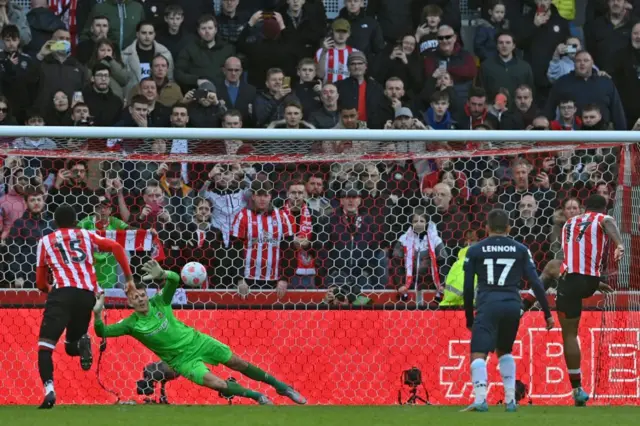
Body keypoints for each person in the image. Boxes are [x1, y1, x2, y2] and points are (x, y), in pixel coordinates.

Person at [92, 259, 307, 406]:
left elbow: (175, 280)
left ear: (146, 295)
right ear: (129, 303)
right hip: (182, 361)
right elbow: (102, 331)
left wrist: (163, 274)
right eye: (133, 298)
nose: (138, 299)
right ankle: (257, 396)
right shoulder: (130, 324)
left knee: (238, 363)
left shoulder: (160, 301)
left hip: (199, 342)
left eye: (141, 295)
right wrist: (98, 314)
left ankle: (281, 387)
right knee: (218, 384)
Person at [35, 204, 134, 409]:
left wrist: (48, 287)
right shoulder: (87, 235)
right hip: (87, 295)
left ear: (55, 223)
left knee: (45, 348)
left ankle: (49, 391)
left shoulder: (45, 241)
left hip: (61, 295)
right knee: (71, 346)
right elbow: (116, 247)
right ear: (75, 221)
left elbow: (40, 283)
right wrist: (129, 278)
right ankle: (82, 345)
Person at [462, 208, 554, 412]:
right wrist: (547, 313)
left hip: (488, 305)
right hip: (513, 305)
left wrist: (469, 316)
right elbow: (537, 283)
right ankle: (511, 400)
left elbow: (468, 288)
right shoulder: (521, 249)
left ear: (486, 228)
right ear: (509, 228)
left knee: (478, 353)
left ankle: (479, 400)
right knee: (504, 350)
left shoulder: (475, 250)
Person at [556, 194, 625, 406]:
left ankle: (577, 389)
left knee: (569, 335)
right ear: (604, 208)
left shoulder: (568, 222)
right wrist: (619, 244)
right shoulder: (602, 218)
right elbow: (608, 222)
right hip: (591, 281)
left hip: (569, 281)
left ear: (585, 207)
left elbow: (573, 252)